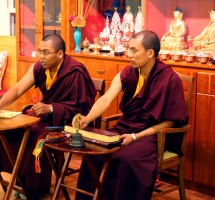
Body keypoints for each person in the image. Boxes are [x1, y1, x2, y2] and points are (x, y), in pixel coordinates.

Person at [72, 30, 188, 200]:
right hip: (125, 127)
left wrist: (135, 136)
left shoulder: (170, 79)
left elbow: (170, 122)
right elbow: (106, 98)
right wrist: (87, 118)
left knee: (126, 158)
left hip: (151, 135)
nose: (129, 55)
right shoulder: (128, 72)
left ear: (150, 53)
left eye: (134, 50)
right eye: (129, 50)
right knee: (94, 153)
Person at [0, 34, 96, 199]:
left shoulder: (76, 71)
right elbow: (18, 88)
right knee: (10, 130)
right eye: (39, 52)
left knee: (36, 137)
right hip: (43, 117)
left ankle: (33, 186)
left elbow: (82, 109)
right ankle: (20, 178)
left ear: (60, 54)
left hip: (66, 122)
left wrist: (52, 108)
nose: (41, 57)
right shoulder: (39, 67)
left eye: (46, 52)